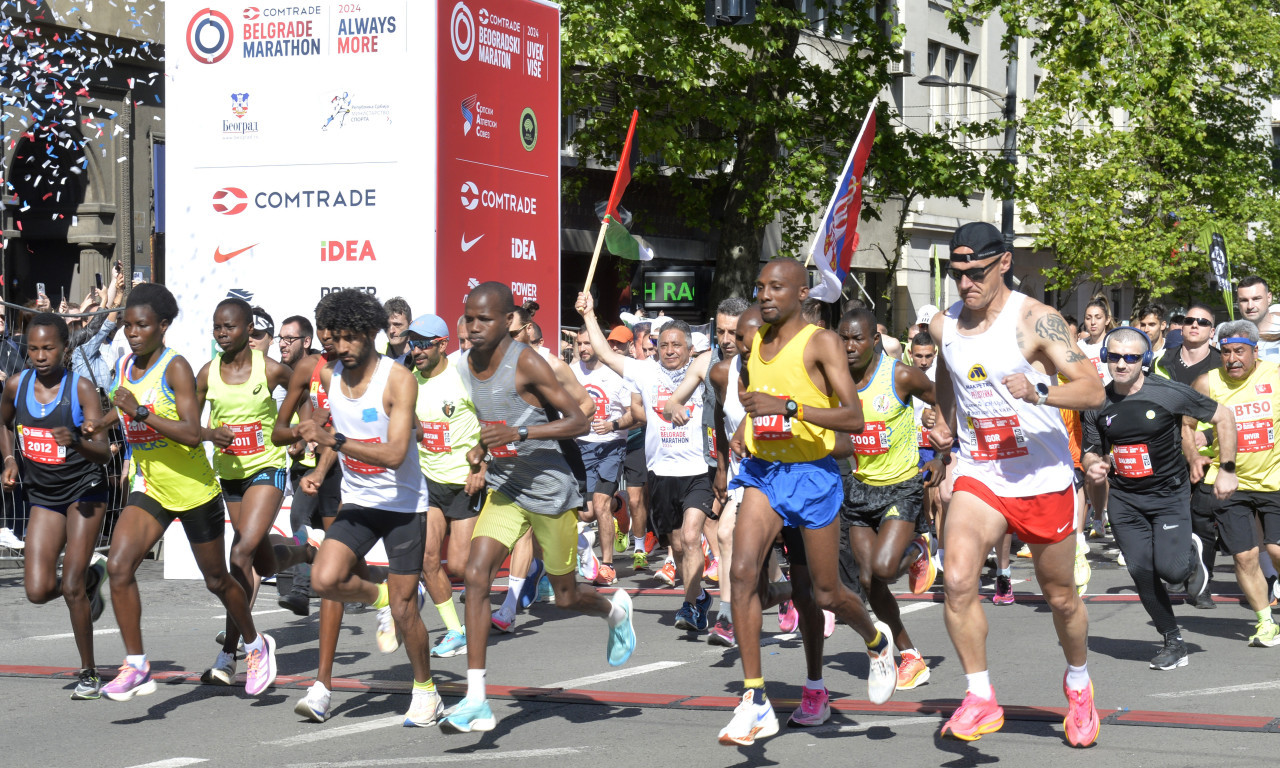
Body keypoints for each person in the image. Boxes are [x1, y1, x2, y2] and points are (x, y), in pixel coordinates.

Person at [928, 222, 1104, 746]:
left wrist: (1040, 390)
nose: (965, 285)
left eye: (976, 272)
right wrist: (944, 419)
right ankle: (979, 695)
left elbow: (1092, 391)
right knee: (958, 580)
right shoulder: (946, 325)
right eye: (957, 274)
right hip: (981, 472)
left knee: (1062, 598)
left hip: (1041, 476)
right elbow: (948, 372)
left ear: (1003, 262)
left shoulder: (1037, 321)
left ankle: (1078, 683)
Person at [713, 260, 895, 745]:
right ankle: (754, 699)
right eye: (760, 286)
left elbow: (853, 418)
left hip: (811, 476)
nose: (766, 294)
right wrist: (742, 433)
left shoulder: (822, 341)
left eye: (776, 287)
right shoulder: (755, 345)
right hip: (764, 474)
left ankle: (877, 641)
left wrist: (789, 408)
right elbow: (755, 404)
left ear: (801, 292)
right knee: (742, 572)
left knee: (824, 594)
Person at [441, 282, 636, 734]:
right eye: (468, 317)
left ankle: (613, 612)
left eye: (483, 319)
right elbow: (489, 421)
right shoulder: (467, 364)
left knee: (566, 596)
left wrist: (521, 435)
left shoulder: (527, 362)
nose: (473, 326)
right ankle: (476, 698)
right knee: (474, 574)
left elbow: (580, 421)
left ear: (509, 320)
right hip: (507, 488)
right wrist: (479, 451)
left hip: (550, 493)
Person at [82, 283, 276, 701]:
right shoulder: (125, 365)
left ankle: (256, 645)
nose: (132, 333)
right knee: (118, 566)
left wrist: (139, 412)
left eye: (142, 325)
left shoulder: (177, 368)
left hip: (193, 490)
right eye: (127, 325)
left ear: (163, 326)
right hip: (151, 486)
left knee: (217, 580)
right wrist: (103, 421)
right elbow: (126, 403)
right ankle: (136, 666)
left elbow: (191, 434)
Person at [295, 289, 441, 726]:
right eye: (330, 339)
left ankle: (425, 689)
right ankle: (381, 594)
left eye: (344, 338)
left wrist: (334, 442)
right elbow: (333, 430)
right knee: (325, 578)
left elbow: (396, 453)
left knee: (403, 611)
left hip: (402, 506)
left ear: (370, 333)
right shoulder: (328, 377)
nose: (336, 347)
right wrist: (322, 462)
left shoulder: (398, 379)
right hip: (359, 500)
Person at [1081, 327, 1232, 669]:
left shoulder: (1168, 393)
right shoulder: (1096, 403)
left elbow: (1224, 416)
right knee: (1140, 570)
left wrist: (1228, 468)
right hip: (1125, 498)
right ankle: (1172, 640)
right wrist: (1093, 467)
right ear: (1105, 357)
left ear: (1145, 360)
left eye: (1131, 357)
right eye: (1114, 356)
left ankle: (1188, 558)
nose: (1121, 364)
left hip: (1168, 494)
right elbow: (1092, 450)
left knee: (1172, 570)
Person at [578, 292, 719, 631]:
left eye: (677, 345)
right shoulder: (644, 371)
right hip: (661, 475)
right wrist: (589, 315)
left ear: (689, 350)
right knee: (679, 548)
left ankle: (688, 606)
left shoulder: (703, 373)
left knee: (690, 537)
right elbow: (605, 353)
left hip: (698, 472)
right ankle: (698, 597)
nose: (670, 350)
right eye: (664, 344)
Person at [0, 313, 111, 698]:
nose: (40, 356)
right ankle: (95, 576)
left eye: (49, 348)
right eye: (33, 348)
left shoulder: (81, 390)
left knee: (71, 586)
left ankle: (89, 672)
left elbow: (103, 453)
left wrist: (76, 442)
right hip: (44, 495)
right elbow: (5, 423)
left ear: (66, 348)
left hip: (85, 489)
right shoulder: (16, 385)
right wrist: (11, 460)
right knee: (36, 589)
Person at [836, 308, 942, 691]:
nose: (849, 346)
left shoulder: (899, 374)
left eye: (857, 339)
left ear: (875, 341)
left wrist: (941, 451)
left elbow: (942, 398)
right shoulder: (838, 379)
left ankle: (919, 548)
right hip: (862, 489)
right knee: (868, 582)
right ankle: (910, 656)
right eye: (843, 339)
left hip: (901, 486)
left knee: (882, 569)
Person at [194, 298, 295, 685]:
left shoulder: (269, 370)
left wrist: (299, 427)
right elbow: (191, 424)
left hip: (267, 468)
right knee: (263, 563)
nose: (222, 333)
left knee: (240, 556)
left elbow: (301, 392)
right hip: (230, 475)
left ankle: (231, 654)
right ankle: (303, 552)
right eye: (217, 327)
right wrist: (206, 435)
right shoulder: (207, 374)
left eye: (230, 327)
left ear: (248, 329)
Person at [271, 327, 346, 721]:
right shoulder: (305, 370)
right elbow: (281, 431)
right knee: (301, 519)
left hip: (339, 471)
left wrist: (321, 453)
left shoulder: (354, 371)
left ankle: (385, 595)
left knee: (338, 549)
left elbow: (339, 432)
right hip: (310, 470)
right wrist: (302, 435)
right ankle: (300, 588)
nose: (281, 343)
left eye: (288, 337)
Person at [1190, 321, 1280, 646]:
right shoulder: (1207, 383)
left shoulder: (1276, 376)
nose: (1232, 359)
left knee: (1276, 549)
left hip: (1274, 479)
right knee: (1244, 557)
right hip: (1228, 482)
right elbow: (1185, 425)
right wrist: (1193, 451)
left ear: (1255, 351)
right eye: (1225, 352)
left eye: (1239, 351)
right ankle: (1265, 622)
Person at [405, 313, 483, 660]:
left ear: (442, 345)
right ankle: (455, 630)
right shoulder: (408, 380)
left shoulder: (463, 376)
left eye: (423, 343)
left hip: (464, 482)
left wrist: (483, 465)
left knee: (460, 568)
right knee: (428, 558)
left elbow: (493, 422)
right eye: (412, 342)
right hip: (428, 481)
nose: (415, 350)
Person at [573, 326, 643, 586]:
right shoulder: (571, 372)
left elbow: (636, 415)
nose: (582, 349)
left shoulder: (617, 375)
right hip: (580, 447)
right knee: (586, 514)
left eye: (588, 343)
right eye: (579, 344)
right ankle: (619, 506)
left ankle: (607, 565)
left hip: (610, 447)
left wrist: (613, 425)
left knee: (600, 505)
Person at [1157, 303, 1221, 386]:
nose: (1194, 325)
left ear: (1212, 332)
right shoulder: (1160, 362)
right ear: (1182, 329)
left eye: (1203, 322)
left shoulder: (1222, 366)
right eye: (1189, 321)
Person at [1236, 276, 1280, 361]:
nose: (1250, 306)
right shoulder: (1231, 334)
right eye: (1244, 300)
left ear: (1269, 298)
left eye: (1256, 299)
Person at [382, 297, 413, 366]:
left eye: (397, 325)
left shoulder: (421, 356)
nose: (391, 331)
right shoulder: (377, 357)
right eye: (387, 325)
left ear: (410, 325)